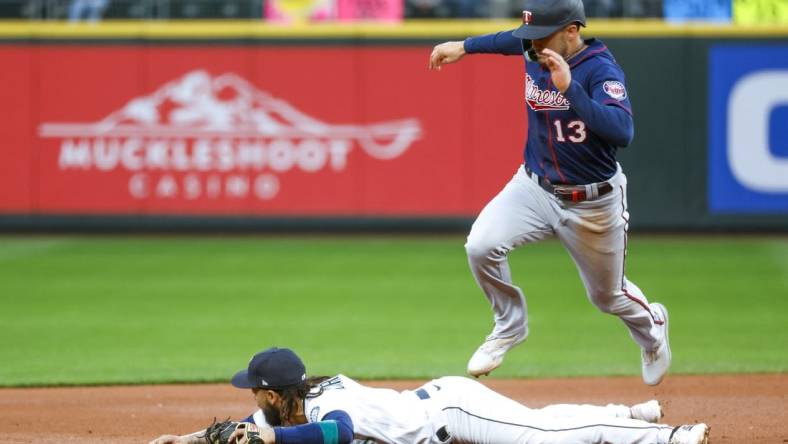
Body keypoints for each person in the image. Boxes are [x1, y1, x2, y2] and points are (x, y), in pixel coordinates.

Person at [428, 0, 672, 385]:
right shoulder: (536, 45)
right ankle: (509, 326)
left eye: (542, 37)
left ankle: (653, 325)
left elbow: (623, 132)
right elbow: (511, 40)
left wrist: (570, 89)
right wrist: (465, 45)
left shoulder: (600, 70)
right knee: (480, 245)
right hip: (534, 188)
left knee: (607, 298)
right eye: (532, 37)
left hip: (593, 202)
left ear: (571, 32)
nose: (533, 45)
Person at [149, 346, 710, 444]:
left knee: (545, 434)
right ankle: (625, 412)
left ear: (275, 394)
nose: (253, 399)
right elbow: (245, 427)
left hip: (449, 412)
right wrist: (192, 434)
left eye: (256, 392)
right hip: (440, 400)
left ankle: (666, 434)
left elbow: (338, 433)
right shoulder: (298, 398)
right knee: (539, 422)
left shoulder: (319, 409)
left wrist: (269, 438)